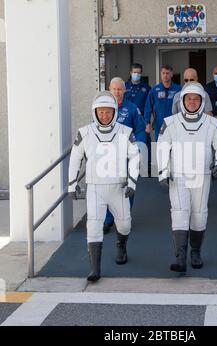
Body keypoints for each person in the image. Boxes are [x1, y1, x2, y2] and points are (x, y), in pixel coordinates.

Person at [68, 91, 140, 282]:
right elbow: (75, 158)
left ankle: (121, 245)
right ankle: (94, 269)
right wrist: (71, 184)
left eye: (108, 112)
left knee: (125, 224)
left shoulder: (125, 131)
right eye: (101, 112)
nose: (104, 115)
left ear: (115, 111)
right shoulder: (85, 132)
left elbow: (135, 156)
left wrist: (132, 181)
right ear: (95, 112)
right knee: (93, 226)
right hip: (95, 188)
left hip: (119, 187)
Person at [157, 82, 217, 273]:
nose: (193, 102)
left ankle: (195, 252)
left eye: (197, 99)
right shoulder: (170, 122)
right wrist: (163, 171)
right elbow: (162, 147)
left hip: (202, 176)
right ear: (182, 101)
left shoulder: (213, 123)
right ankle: (180, 257)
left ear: (202, 101)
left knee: (199, 215)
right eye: (189, 99)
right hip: (178, 176)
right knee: (179, 212)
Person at [103, 77, 147, 233]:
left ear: (124, 90)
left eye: (120, 89)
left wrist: (139, 147)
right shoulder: (103, 108)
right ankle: (108, 220)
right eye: (114, 89)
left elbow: (141, 130)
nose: (117, 92)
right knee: (108, 188)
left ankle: (125, 217)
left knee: (129, 187)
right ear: (109, 90)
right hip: (108, 156)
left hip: (128, 155)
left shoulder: (132, 108)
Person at [125, 63, 151, 175]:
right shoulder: (124, 86)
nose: (137, 74)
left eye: (139, 72)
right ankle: (128, 169)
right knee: (127, 144)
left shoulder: (146, 87)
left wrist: (148, 122)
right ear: (130, 73)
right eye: (135, 72)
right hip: (127, 120)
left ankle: (145, 168)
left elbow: (149, 106)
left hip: (141, 122)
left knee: (143, 144)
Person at [144, 65, 181, 141]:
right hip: (159, 123)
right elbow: (148, 107)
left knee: (175, 145)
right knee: (161, 146)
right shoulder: (155, 90)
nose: (165, 75)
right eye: (163, 73)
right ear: (160, 74)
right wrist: (147, 122)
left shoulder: (178, 89)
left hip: (174, 123)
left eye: (167, 73)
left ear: (171, 74)